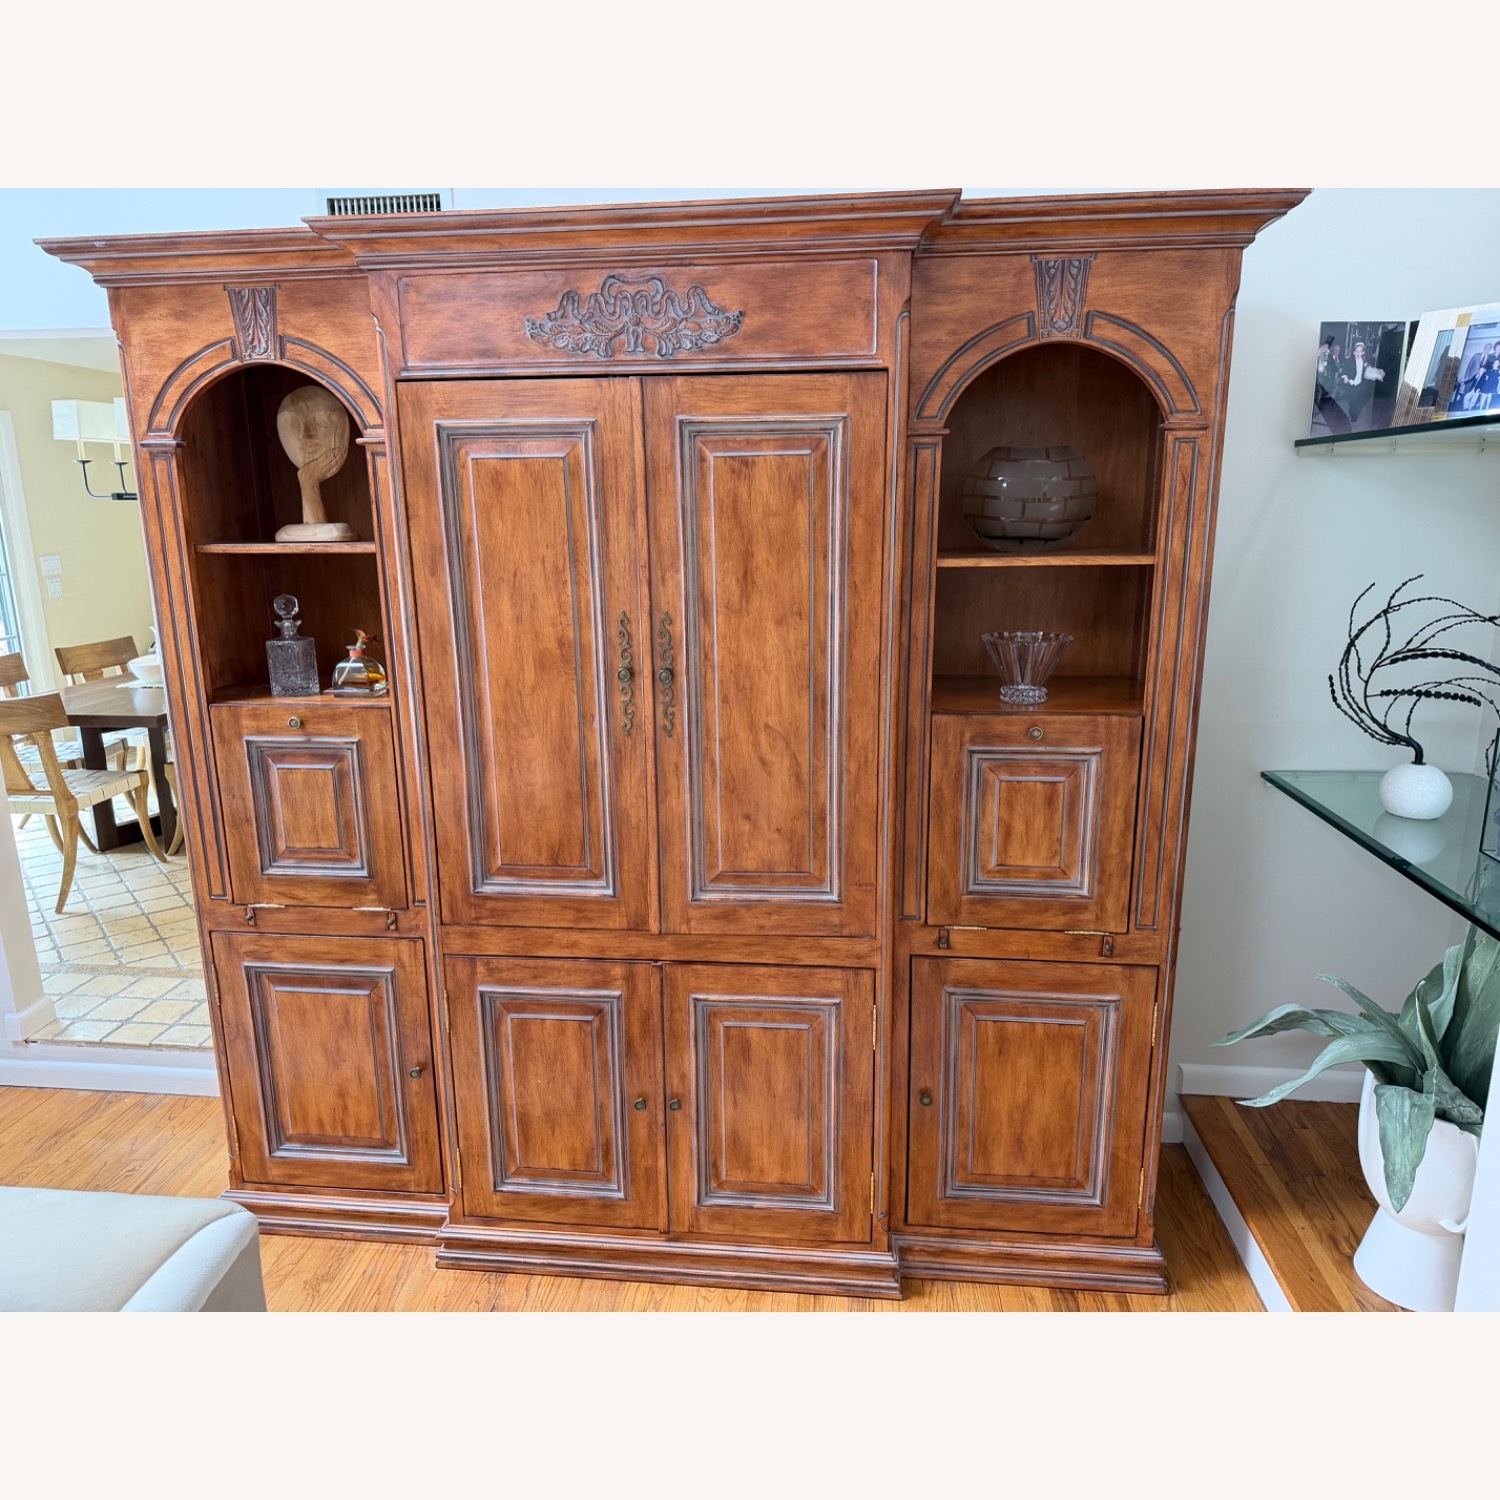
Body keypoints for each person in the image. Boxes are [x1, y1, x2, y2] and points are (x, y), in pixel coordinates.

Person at [1337, 338, 1385, 427]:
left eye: (1360, 351)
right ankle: (1352, 414)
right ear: (1354, 352)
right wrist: (1345, 376)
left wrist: (1378, 373)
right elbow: (1343, 371)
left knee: (1359, 401)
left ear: (1363, 353)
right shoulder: (1349, 361)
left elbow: (1369, 371)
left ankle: (1354, 414)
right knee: (1353, 401)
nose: (1358, 353)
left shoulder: (1365, 362)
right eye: (1356, 351)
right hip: (1352, 384)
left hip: (1361, 385)